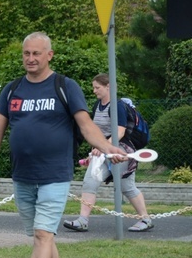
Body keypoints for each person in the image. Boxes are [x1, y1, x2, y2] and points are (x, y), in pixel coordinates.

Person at [0, 32, 127, 258]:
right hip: (23, 175)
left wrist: (108, 148)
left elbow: (86, 126)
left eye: (36, 53)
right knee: (41, 236)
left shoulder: (64, 86)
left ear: (49, 55)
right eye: (26, 54)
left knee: (43, 233)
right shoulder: (12, 89)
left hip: (55, 174)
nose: (30, 59)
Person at [63, 74, 153, 233]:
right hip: (104, 151)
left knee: (127, 186)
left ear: (108, 87)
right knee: (90, 181)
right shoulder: (97, 106)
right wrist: (95, 148)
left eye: (97, 87)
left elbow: (120, 131)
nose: (94, 90)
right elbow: (95, 131)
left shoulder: (117, 106)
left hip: (122, 151)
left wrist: (103, 145)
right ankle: (82, 220)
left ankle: (145, 219)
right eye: (94, 87)